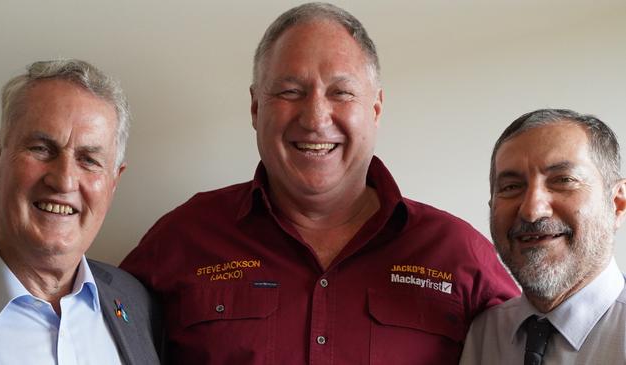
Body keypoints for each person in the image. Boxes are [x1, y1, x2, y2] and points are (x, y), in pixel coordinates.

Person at [121, 3, 518, 364]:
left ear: (375, 109)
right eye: (290, 92)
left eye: (341, 93)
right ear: (256, 107)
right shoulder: (183, 238)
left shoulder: (456, 254)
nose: (314, 117)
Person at [0, 59, 161, 365]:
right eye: (41, 148)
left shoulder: (137, 302)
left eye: (89, 159)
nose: (63, 180)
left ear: (114, 182)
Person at [460, 109, 626, 364]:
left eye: (563, 180)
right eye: (511, 187)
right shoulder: (484, 335)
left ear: (617, 203)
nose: (532, 210)